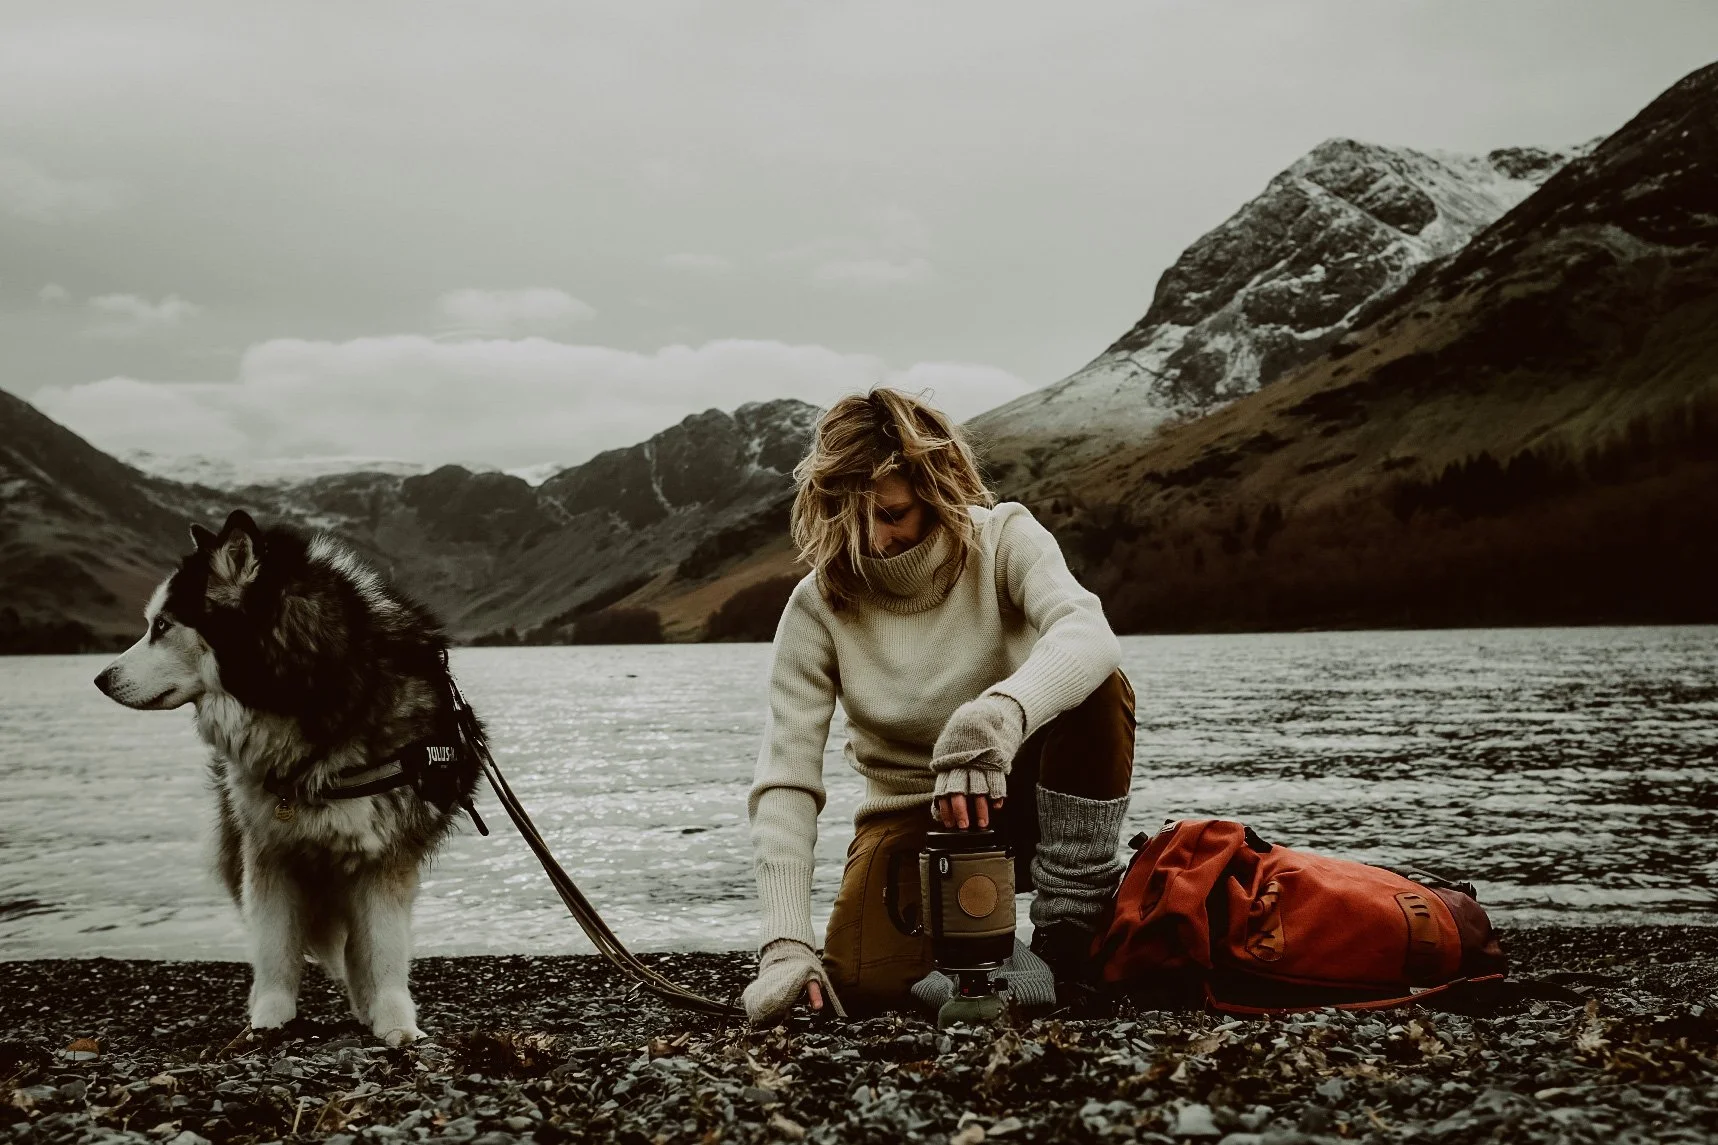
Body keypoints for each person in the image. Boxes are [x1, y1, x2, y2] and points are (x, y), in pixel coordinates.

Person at [741, 387, 1136, 1025]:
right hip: (910, 818)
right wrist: (784, 944)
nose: (873, 538)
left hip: (1021, 793)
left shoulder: (1005, 536)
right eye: (849, 515)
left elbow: (1087, 633)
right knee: (866, 991)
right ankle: (992, 948)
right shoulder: (816, 605)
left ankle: (1068, 927)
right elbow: (787, 777)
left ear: (937, 492)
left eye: (892, 514)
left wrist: (996, 716)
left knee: (1101, 686)